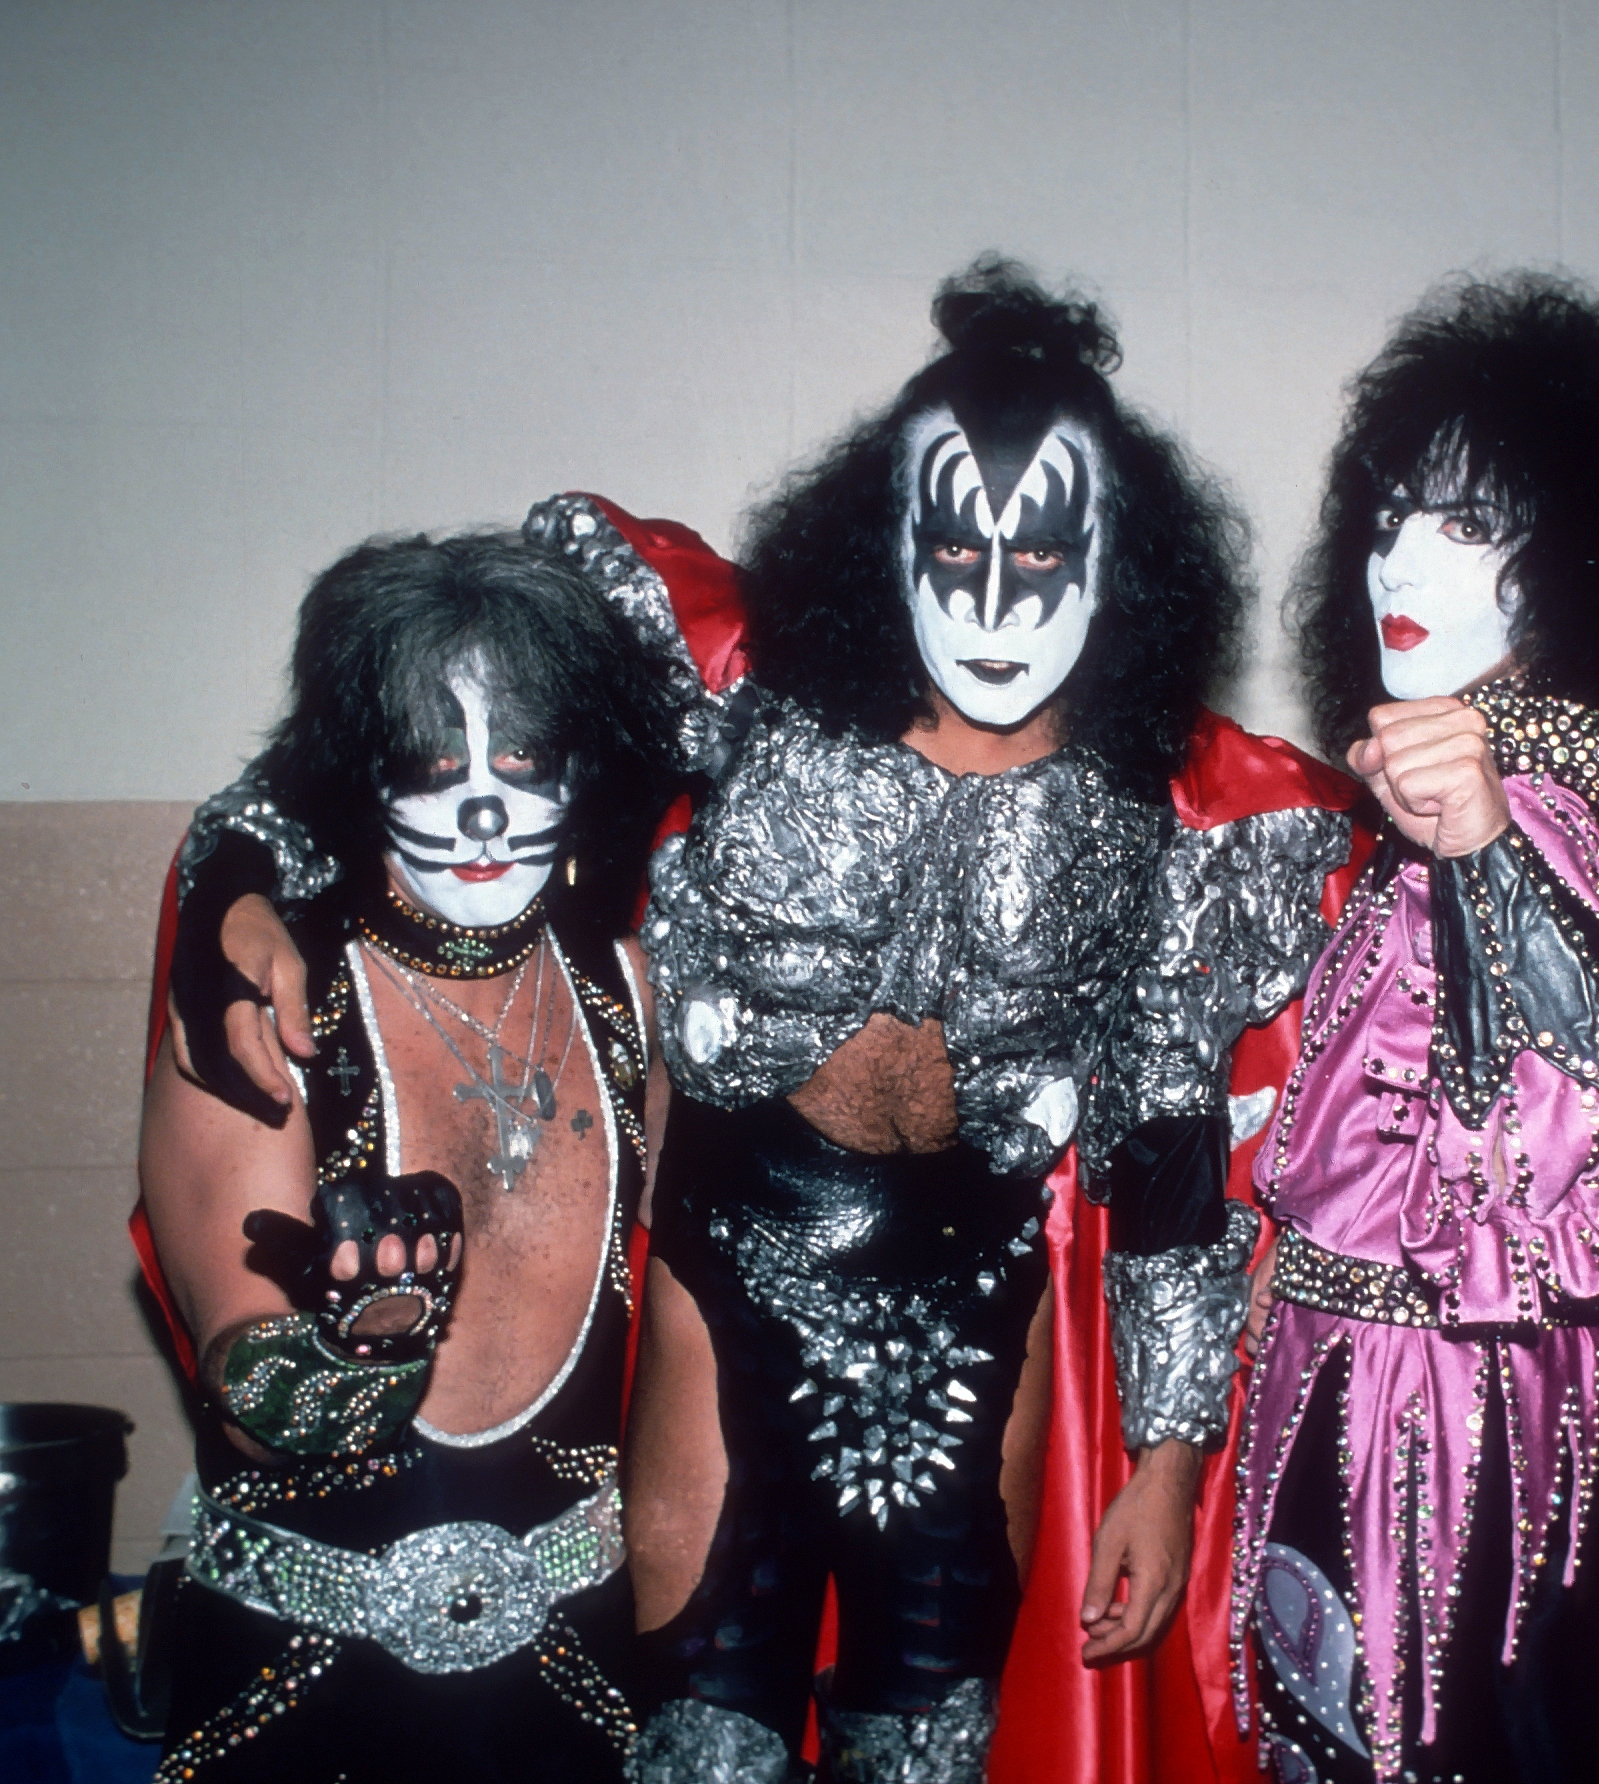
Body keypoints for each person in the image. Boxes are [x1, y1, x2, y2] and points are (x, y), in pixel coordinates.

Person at [158, 265, 1362, 1784]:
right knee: (702, 1744)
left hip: (979, 1303)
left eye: (1042, 552)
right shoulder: (739, 697)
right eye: (952, 544)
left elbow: (1173, 1155)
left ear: (1121, 565)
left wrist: (1170, 1468)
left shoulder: (1172, 825)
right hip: (728, 1280)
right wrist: (235, 883)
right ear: (886, 537)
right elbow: (406, 712)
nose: (992, 600)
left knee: (922, 1748)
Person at [1234, 274, 1599, 1784]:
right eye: (1392, 515)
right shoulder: (1432, 794)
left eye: (1468, 521)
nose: (1402, 554)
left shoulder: (1553, 792)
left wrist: (1483, 848)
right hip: (1362, 1386)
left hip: (1461, 1422)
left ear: (1577, 562)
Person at [135, 530, 684, 1781]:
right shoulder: (268, 1003)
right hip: (294, 1688)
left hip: (583, 1685)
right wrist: (350, 1347)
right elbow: (255, 1396)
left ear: (583, 767)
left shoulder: (630, 995)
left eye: (524, 757)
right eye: (435, 763)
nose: (483, 808)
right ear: (359, 770)